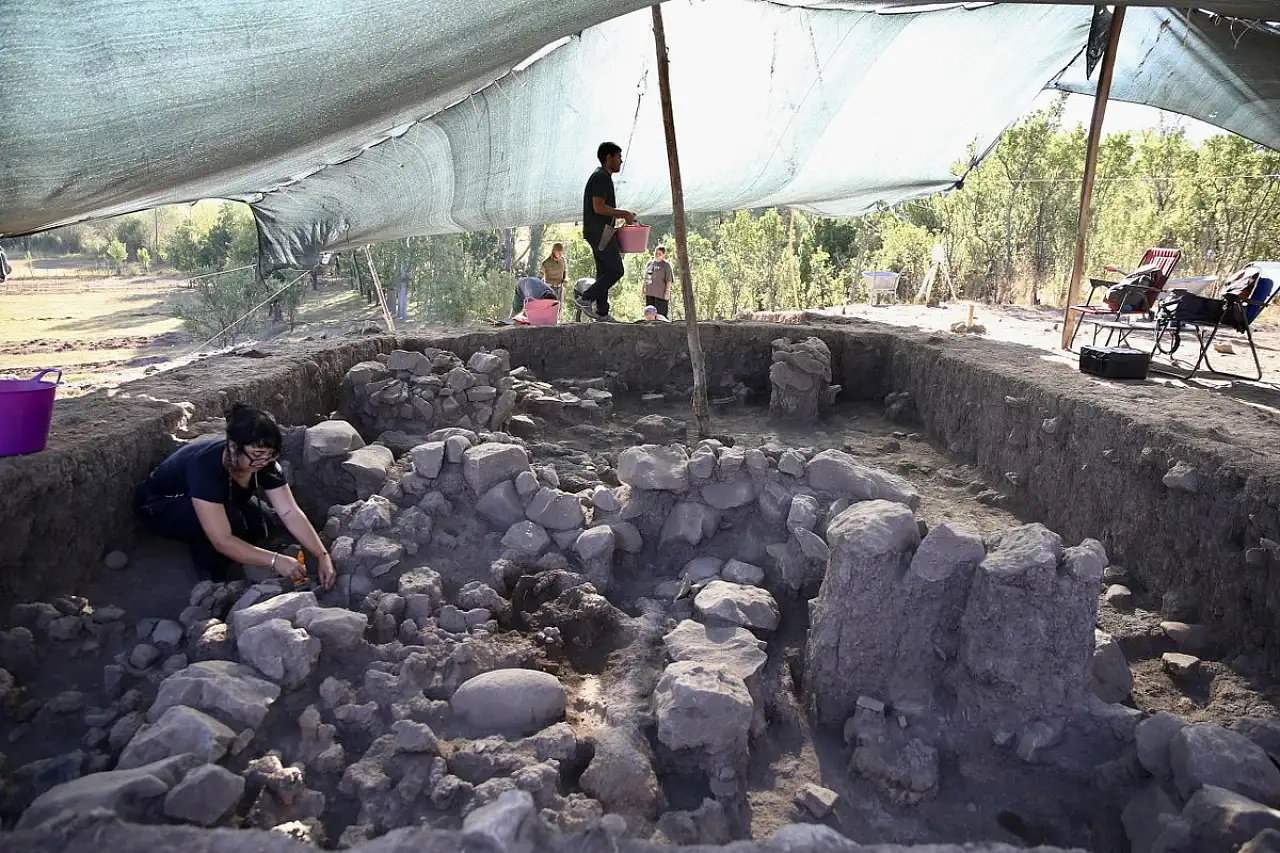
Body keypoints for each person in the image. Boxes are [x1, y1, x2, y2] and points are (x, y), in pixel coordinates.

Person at [133, 404, 335, 588]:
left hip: (216, 497)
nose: (263, 462)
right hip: (158, 505)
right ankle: (212, 580)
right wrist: (275, 560)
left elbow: (290, 512)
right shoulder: (205, 468)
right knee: (229, 524)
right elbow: (222, 539)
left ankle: (244, 555)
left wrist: (321, 554)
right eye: (257, 455)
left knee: (262, 522)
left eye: (270, 454)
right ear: (233, 447)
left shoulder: (264, 462)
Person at [577, 141, 635, 321]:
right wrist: (624, 213)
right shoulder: (600, 177)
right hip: (599, 232)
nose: (621, 161)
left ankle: (602, 312)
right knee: (616, 270)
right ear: (608, 157)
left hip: (600, 230)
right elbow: (599, 207)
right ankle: (585, 298)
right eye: (618, 157)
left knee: (603, 272)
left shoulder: (602, 177)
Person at [643, 245, 675, 318]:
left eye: (659, 254)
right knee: (649, 313)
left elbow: (669, 280)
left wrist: (667, 292)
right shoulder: (650, 263)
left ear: (663, 255)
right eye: (656, 253)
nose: (657, 255)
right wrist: (643, 288)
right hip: (650, 293)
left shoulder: (666, 265)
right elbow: (646, 277)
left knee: (661, 315)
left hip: (660, 294)